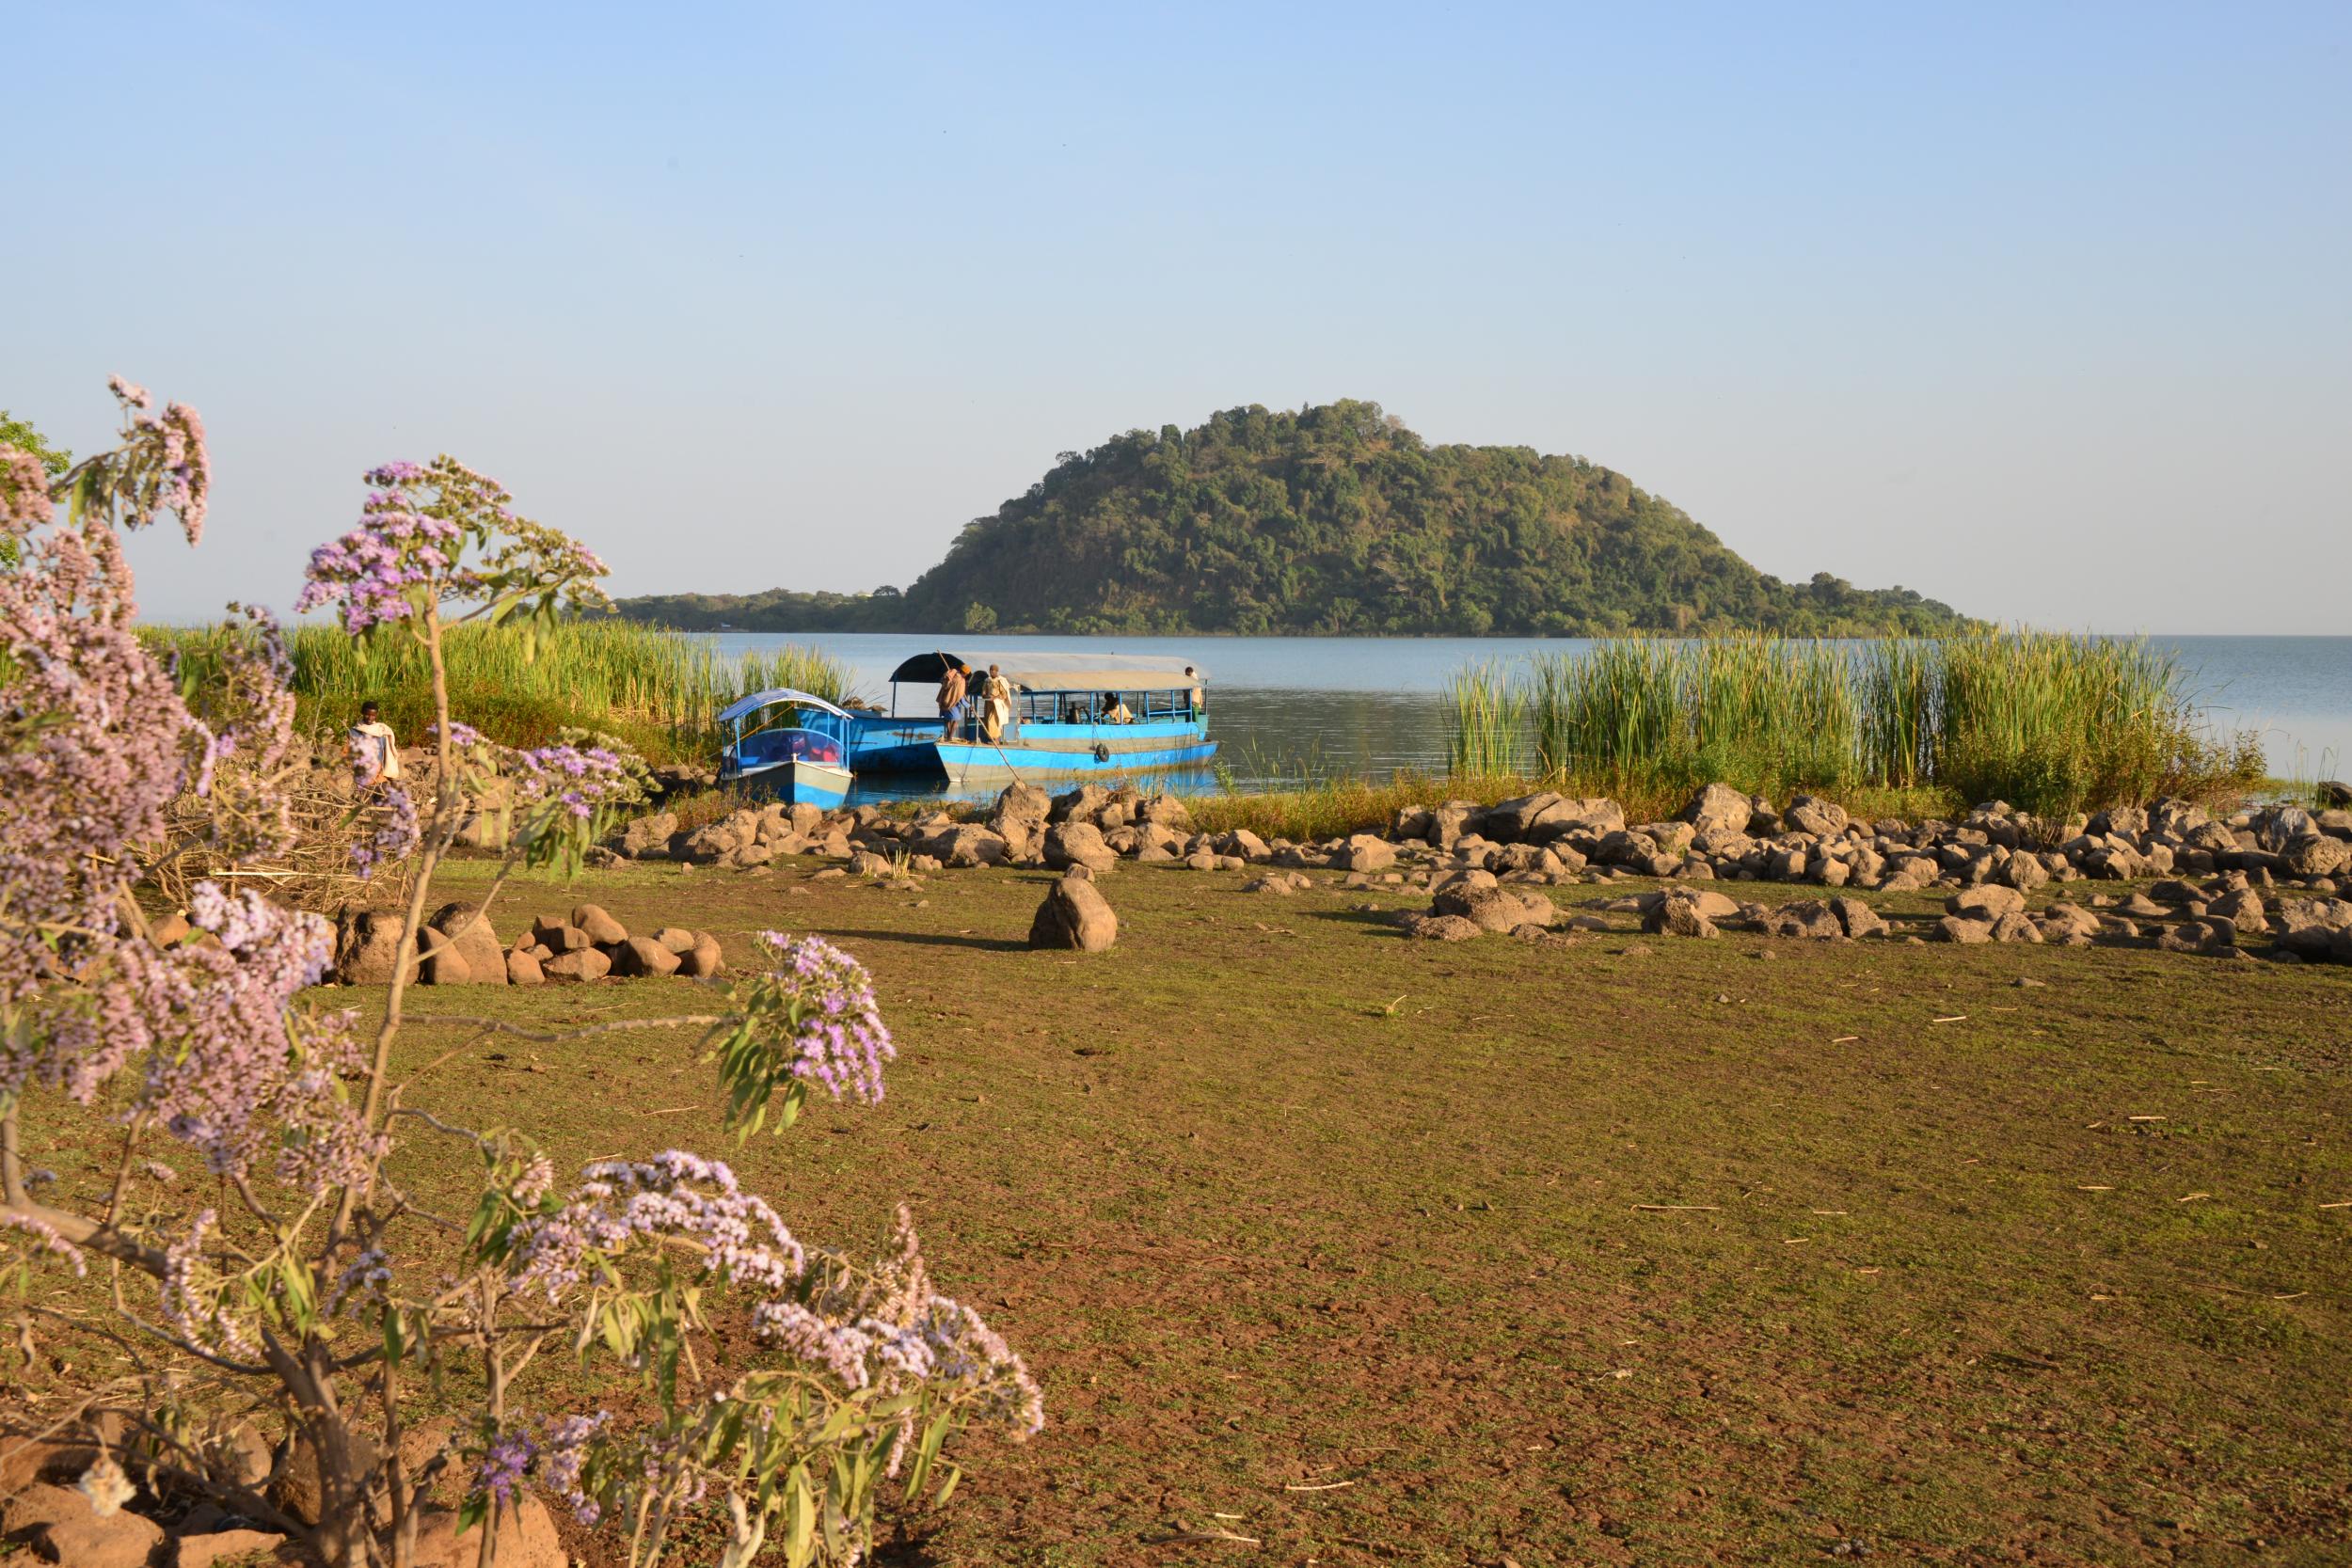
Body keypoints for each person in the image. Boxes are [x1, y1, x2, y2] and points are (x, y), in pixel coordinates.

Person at [349, 701, 402, 787]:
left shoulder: (381, 731)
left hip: (378, 772)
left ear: (376, 715)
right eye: (367, 714)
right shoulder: (353, 732)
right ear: (362, 712)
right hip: (360, 770)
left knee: (384, 791)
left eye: (373, 715)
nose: (370, 718)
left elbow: (386, 755)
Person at [979, 663, 1013, 742]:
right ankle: (993, 739)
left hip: (997, 705)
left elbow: (1004, 695)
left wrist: (995, 697)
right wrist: (986, 696)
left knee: (992, 721)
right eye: (990, 670)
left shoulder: (1000, 681)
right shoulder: (987, 680)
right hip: (988, 704)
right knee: (987, 720)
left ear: (996, 671)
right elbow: (984, 692)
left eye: (993, 670)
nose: (991, 672)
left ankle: (996, 740)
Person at [936, 660, 969, 739]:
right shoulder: (959, 680)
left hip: (944, 700)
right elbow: (959, 696)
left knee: (948, 719)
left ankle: (948, 737)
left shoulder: (951, 674)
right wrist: (968, 706)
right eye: (967, 674)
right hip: (952, 702)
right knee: (956, 720)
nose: (967, 675)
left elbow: (942, 682)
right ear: (964, 673)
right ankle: (950, 738)